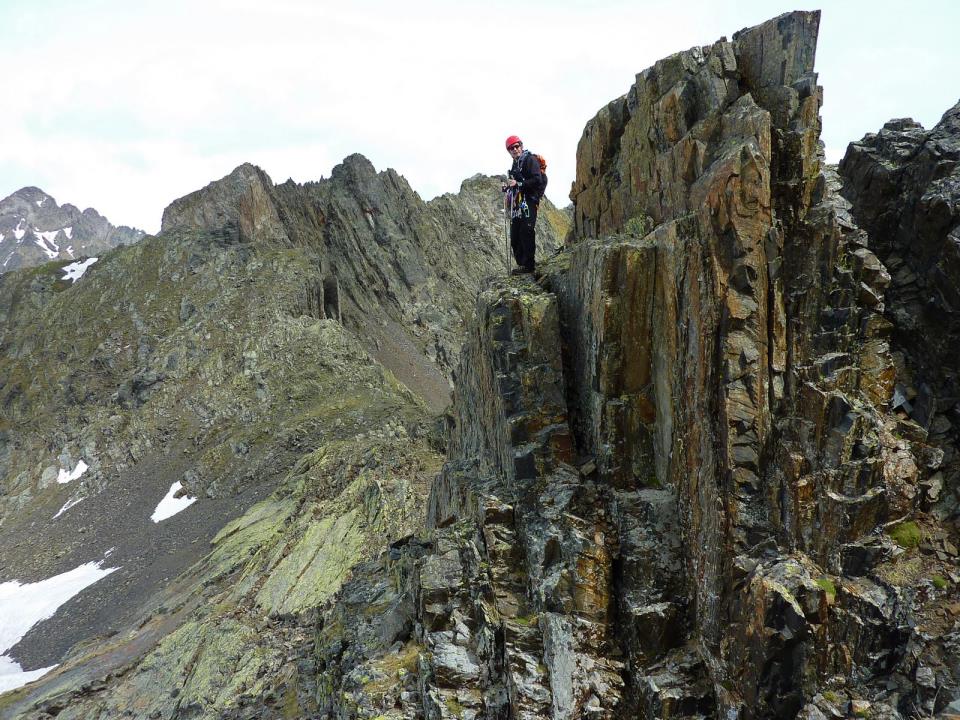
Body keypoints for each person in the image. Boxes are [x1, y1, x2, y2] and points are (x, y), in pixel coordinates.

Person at [502, 135, 546, 274]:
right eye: (511, 148)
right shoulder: (515, 164)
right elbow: (515, 182)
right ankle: (522, 264)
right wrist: (508, 187)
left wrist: (519, 184)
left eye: (516, 146)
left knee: (526, 230)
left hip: (530, 199)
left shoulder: (530, 160)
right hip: (519, 201)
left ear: (521, 146)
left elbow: (537, 179)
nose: (515, 150)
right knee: (515, 234)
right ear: (509, 151)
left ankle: (529, 266)